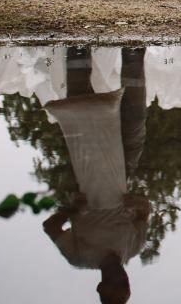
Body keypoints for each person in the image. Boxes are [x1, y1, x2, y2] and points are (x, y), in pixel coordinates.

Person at [42, 46, 152, 304]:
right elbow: (145, 211)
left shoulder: (79, 257)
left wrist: (71, 210)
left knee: (83, 106)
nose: (118, 277)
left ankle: (78, 47)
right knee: (134, 116)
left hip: (89, 173)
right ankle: (133, 51)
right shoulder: (133, 247)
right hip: (123, 173)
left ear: (100, 288)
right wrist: (136, 203)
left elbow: (50, 227)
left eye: (113, 284)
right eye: (124, 282)